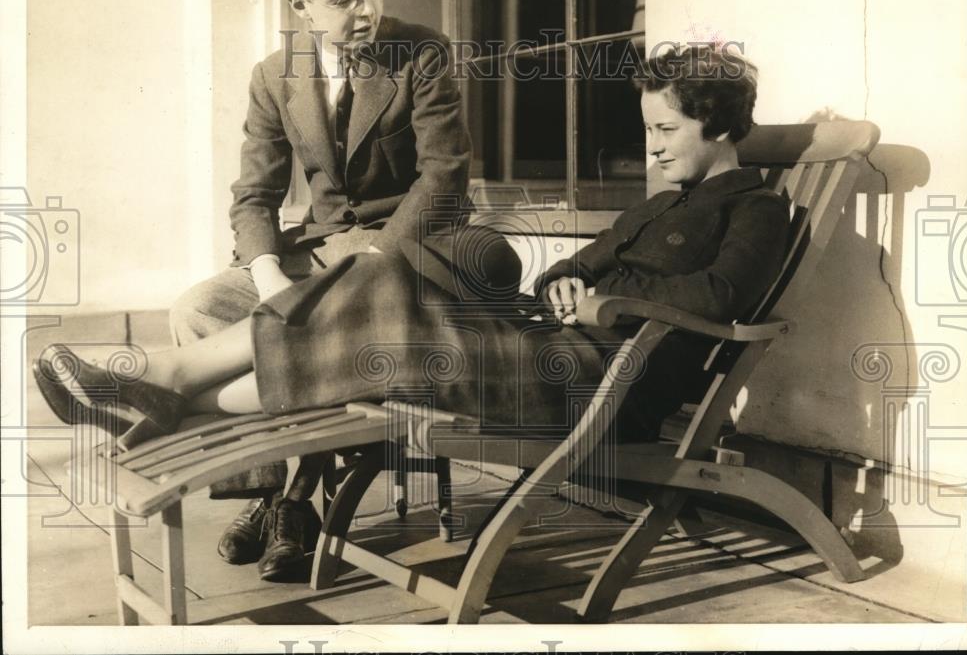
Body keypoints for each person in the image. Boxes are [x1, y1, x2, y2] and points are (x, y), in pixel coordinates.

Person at [33, 44, 791, 578]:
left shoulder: (757, 208)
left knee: (384, 324)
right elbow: (574, 263)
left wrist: (606, 306)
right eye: (650, 130)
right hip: (550, 348)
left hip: (603, 383)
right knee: (377, 282)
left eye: (666, 131)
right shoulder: (658, 204)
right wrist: (567, 278)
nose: (652, 148)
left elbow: (724, 301)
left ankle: (167, 388)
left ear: (721, 128)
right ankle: (168, 386)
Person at [165, 0, 471, 579]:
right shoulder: (275, 76)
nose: (366, 9)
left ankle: (294, 500)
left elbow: (443, 176)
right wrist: (269, 269)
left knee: (312, 317)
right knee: (199, 307)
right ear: (300, 6)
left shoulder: (421, 52)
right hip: (317, 251)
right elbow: (253, 196)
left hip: (407, 251)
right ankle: (276, 492)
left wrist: (372, 263)